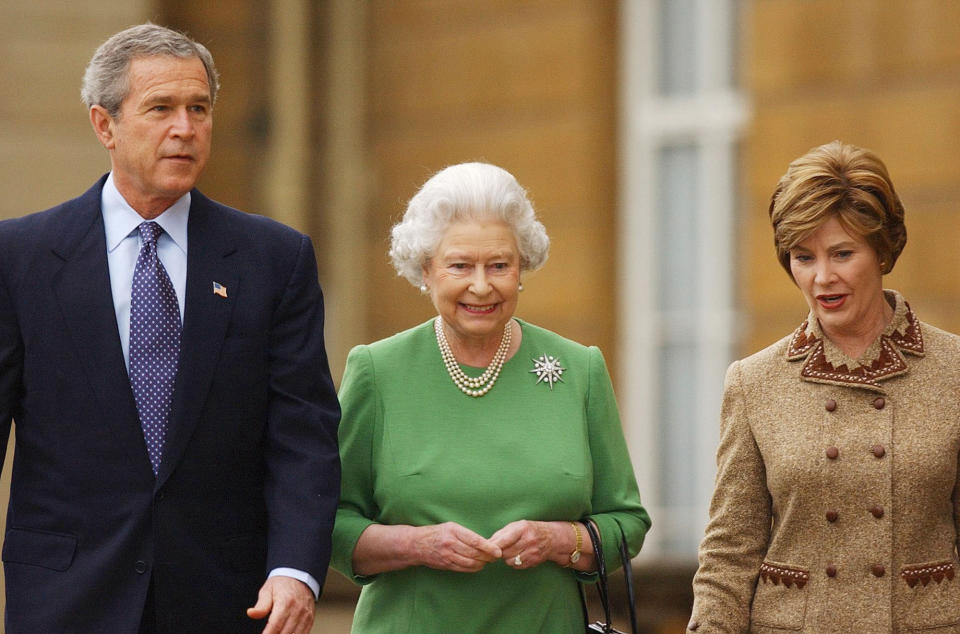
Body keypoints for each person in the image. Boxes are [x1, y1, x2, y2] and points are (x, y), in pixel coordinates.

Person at [0, 24, 340, 633]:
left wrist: (296, 569)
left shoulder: (273, 259)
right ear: (104, 125)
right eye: (161, 109)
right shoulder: (20, 256)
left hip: (226, 597)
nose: (185, 128)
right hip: (65, 597)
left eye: (199, 108)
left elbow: (303, 433)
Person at [331, 162, 651, 632]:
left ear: (522, 268)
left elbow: (628, 523)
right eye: (460, 265)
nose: (481, 285)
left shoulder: (579, 369)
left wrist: (558, 539)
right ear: (426, 270)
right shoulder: (377, 371)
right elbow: (328, 522)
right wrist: (418, 546)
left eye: (499, 265)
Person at [688, 140, 960, 632]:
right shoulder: (754, 382)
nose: (822, 278)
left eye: (842, 253)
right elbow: (730, 552)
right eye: (803, 256)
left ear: (882, 249)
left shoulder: (954, 372)